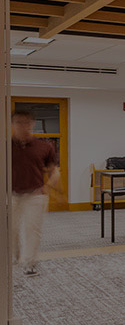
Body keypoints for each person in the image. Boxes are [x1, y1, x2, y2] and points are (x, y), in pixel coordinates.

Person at [11, 109, 58, 276]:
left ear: (32, 124)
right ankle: (14, 257)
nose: (23, 126)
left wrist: (48, 187)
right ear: (12, 124)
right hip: (11, 195)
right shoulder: (5, 145)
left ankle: (29, 263)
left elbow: (54, 171)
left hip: (35, 195)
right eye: (19, 122)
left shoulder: (44, 146)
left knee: (33, 229)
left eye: (27, 123)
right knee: (10, 228)